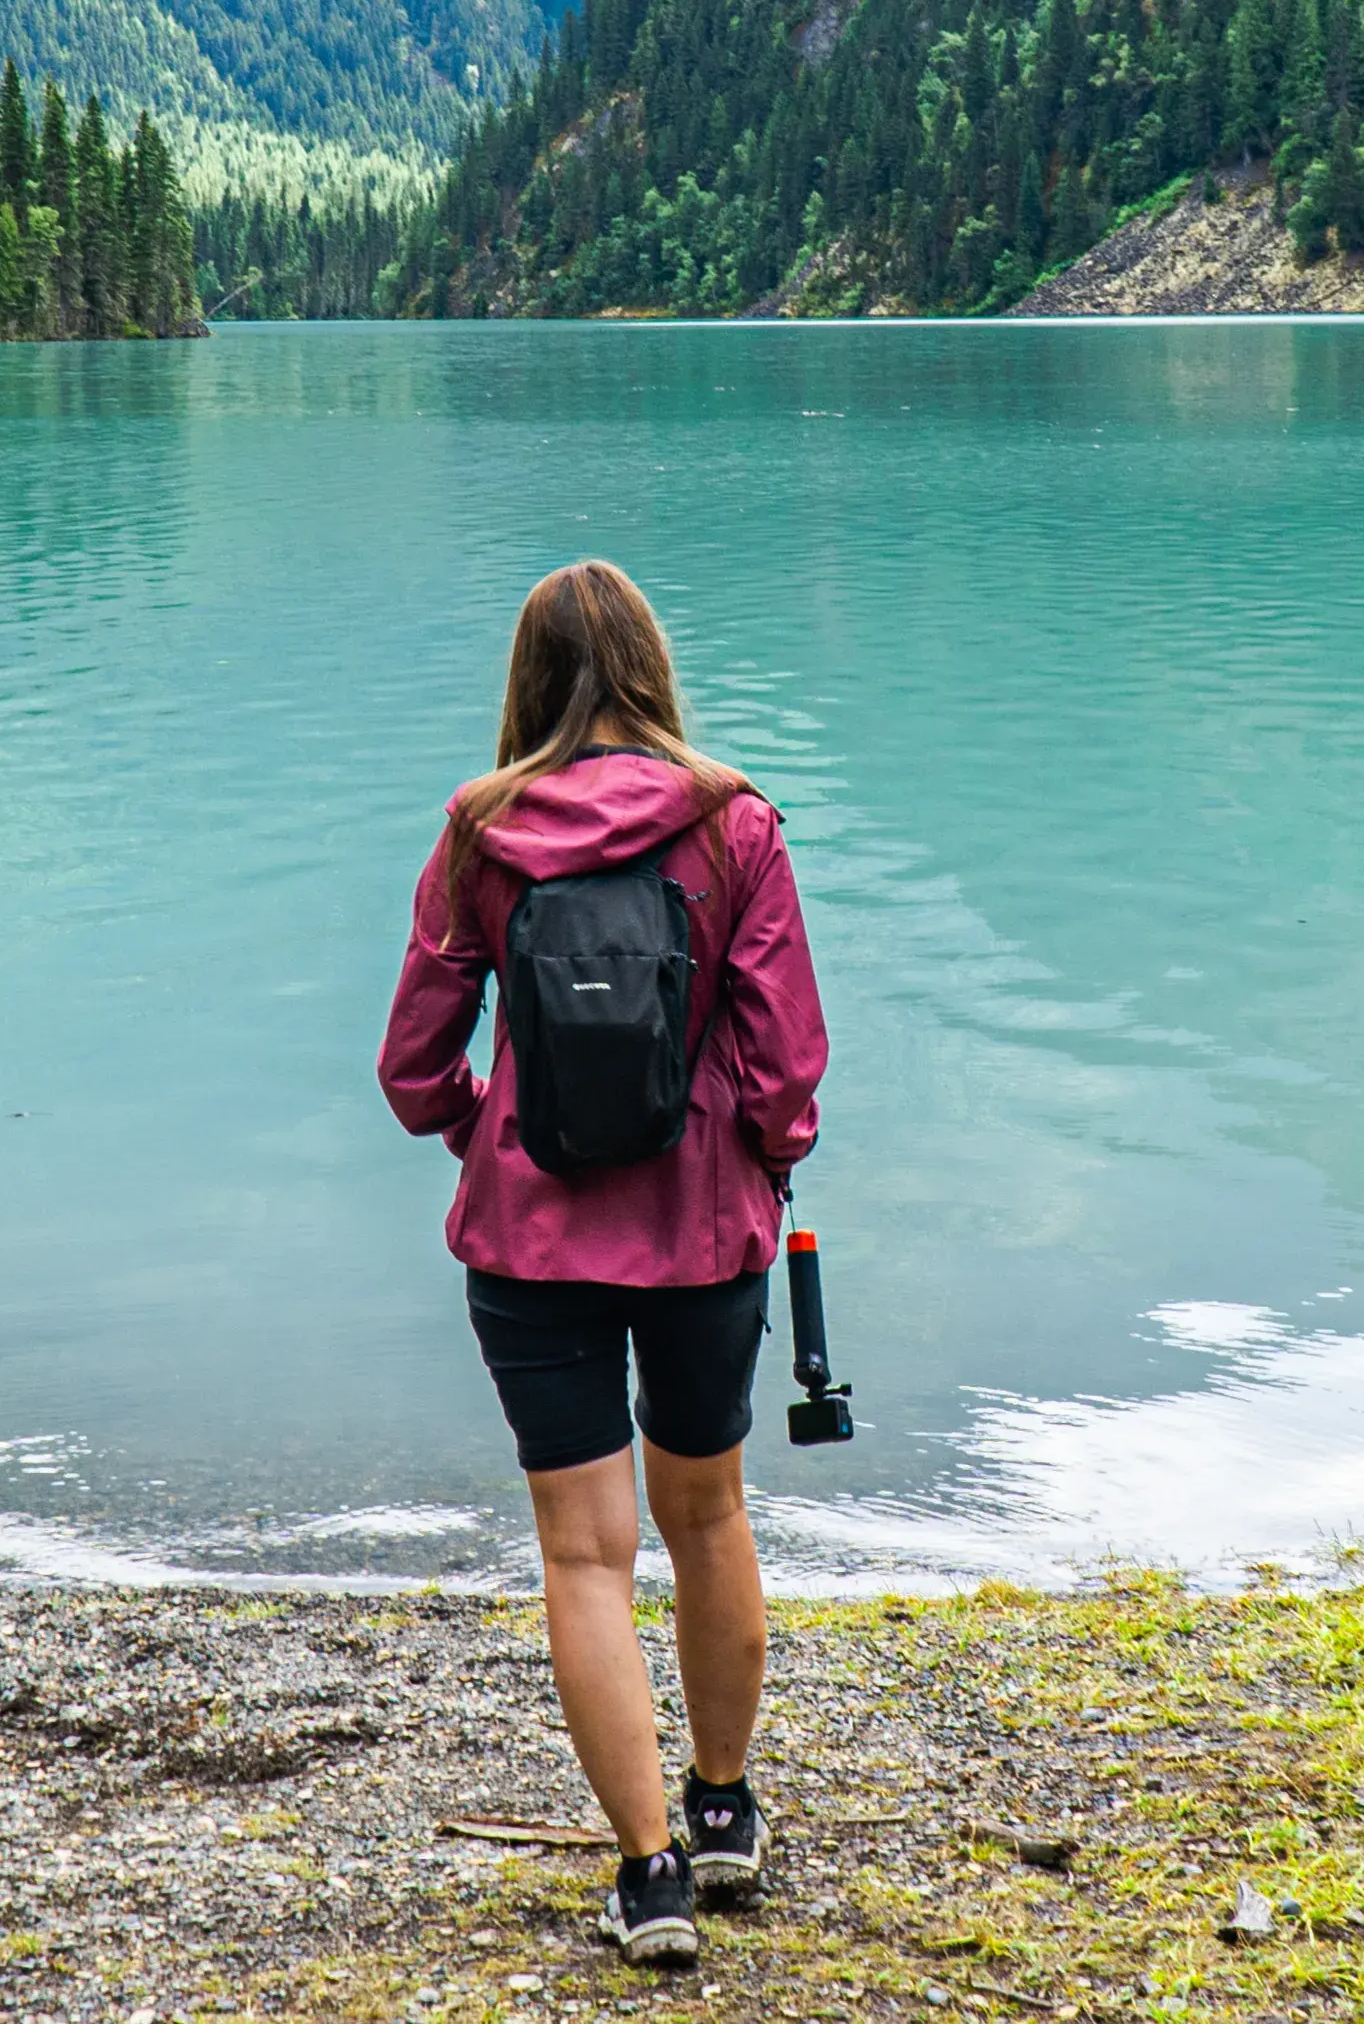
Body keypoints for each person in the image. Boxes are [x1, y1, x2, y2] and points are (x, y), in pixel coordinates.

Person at [379, 560, 828, 1969]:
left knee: (585, 1549)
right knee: (708, 1515)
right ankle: (726, 1806)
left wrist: (486, 1132)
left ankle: (647, 1877)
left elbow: (411, 1066)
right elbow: (785, 1064)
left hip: (531, 1240)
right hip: (704, 1239)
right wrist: (764, 1150)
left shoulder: (482, 829)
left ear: (525, 678)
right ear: (655, 664)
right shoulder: (734, 821)